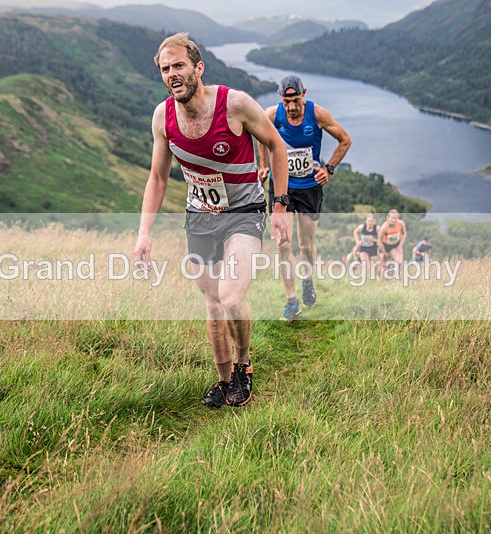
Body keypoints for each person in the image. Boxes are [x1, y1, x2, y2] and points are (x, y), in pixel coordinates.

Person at [133, 33, 291, 409]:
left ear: (198, 68)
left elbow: (277, 146)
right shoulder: (163, 117)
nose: (172, 74)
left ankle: (243, 366)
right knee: (211, 301)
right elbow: (157, 177)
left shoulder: (234, 104)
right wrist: (143, 234)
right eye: (165, 68)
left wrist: (281, 207)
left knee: (231, 295)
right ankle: (223, 380)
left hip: (243, 213)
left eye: (179, 66)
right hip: (200, 217)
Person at [257, 75, 352, 321]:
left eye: (296, 100)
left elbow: (345, 140)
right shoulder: (271, 115)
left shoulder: (317, 114)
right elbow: (260, 136)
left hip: (310, 186)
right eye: (287, 101)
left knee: (306, 246)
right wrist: (263, 165)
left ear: (304, 94)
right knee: (283, 245)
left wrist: (328, 169)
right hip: (282, 188)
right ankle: (291, 302)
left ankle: (307, 280)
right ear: (281, 98)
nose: (291, 106)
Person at [378, 209, 407, 276]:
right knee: (384, 264)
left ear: (398, 218)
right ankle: (381, 279)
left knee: (399, 263)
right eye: (392, 218)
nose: (394, 220)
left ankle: (396, 280)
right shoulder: (384, 226)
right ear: (388, 218)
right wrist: (384, 252)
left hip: (395, 245)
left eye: (395, 218)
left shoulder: (401, 223)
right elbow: (379, 240)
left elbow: (404, 234)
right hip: (385, 245)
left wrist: (400, 244)